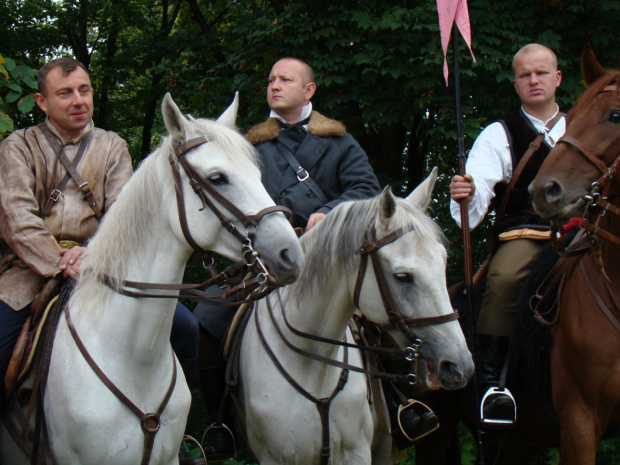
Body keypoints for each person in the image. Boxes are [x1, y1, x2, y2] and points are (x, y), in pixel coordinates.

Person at [195, 57, 436, 461]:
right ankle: (222, 425)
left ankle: (399, 407)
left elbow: (366, 189)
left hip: (331, 261)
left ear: (309, 91)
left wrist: (331, 213)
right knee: (207, 319)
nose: (274, 85)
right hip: (265, 259)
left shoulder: (340, 140)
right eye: (271, 79)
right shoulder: (251, 145)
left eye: (285, 79)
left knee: (381, 316)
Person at [0, 57, 203, 465]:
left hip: (103, 268)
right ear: (42, 101)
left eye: (85, 90)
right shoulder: (17, 146)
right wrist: (60, 260)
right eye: (65, 93)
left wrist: (90, 256)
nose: (79, 100)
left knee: (186, 328)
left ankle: (176, 433)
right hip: (26, 275)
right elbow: (15, 217)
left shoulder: (112, 146)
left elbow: (122, 217)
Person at [449, 43, 565, 425]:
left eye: (541, 72)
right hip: (525, 234)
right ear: (515, 83)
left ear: (557, 78)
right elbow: (480, 182)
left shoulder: (582, 124)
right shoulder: (499, 133)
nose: (534, 80)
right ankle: (492, 384)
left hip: (584, 232)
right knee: (503, 280)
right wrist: (468, 191)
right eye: (525, 74)